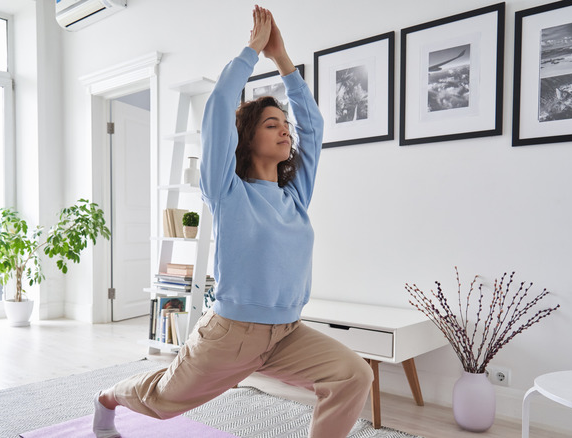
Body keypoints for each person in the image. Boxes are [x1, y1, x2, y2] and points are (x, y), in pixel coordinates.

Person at [93, 6, 373, 438]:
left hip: (287, 334)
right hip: (229, 337)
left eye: (285, 126)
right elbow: (221, 104)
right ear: (247, 138)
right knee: (162, 401)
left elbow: (313, 127)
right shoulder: (226, 190)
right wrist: (252, 52)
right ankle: (108, 397)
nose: (285, 131)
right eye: (271, 124)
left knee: (354, 374)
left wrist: (284, 60)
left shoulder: (294, 196)